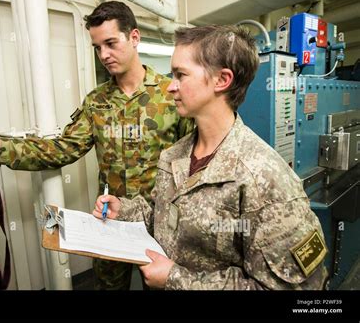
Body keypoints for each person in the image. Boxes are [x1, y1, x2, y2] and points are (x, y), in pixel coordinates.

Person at [0, 1, 194, 290]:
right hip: (110, 218)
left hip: (159, 220)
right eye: (97, 47)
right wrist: (2, 147)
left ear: (135, 38)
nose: (104, 54)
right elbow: (62, 149)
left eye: (111, 43)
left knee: (163, 286)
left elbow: (192, 165)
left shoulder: (170, 95)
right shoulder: (96, 102)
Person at [93, 25, 328, 290]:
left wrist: (174, 279)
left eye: (181, 75)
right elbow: (165, 220)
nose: (170, 87)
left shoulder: (265, 178)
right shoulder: (174, 156)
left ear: (221, 80)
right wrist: (123, 210)